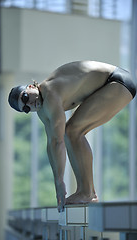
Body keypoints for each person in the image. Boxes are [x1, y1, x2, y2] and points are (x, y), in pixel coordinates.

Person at [8, 61, 136, 212]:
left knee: (72, 131)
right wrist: (57, 181)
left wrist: (60, 181)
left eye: (25, 98)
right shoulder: (43, 109)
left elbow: (58, 141)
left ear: (30, 87)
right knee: (72, 132)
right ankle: (86, 192)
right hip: (110, 86)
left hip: (117, 81)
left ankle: (88, 193)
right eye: (26, 109)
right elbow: (51, 145)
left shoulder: (50, 91)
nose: (30, 105)